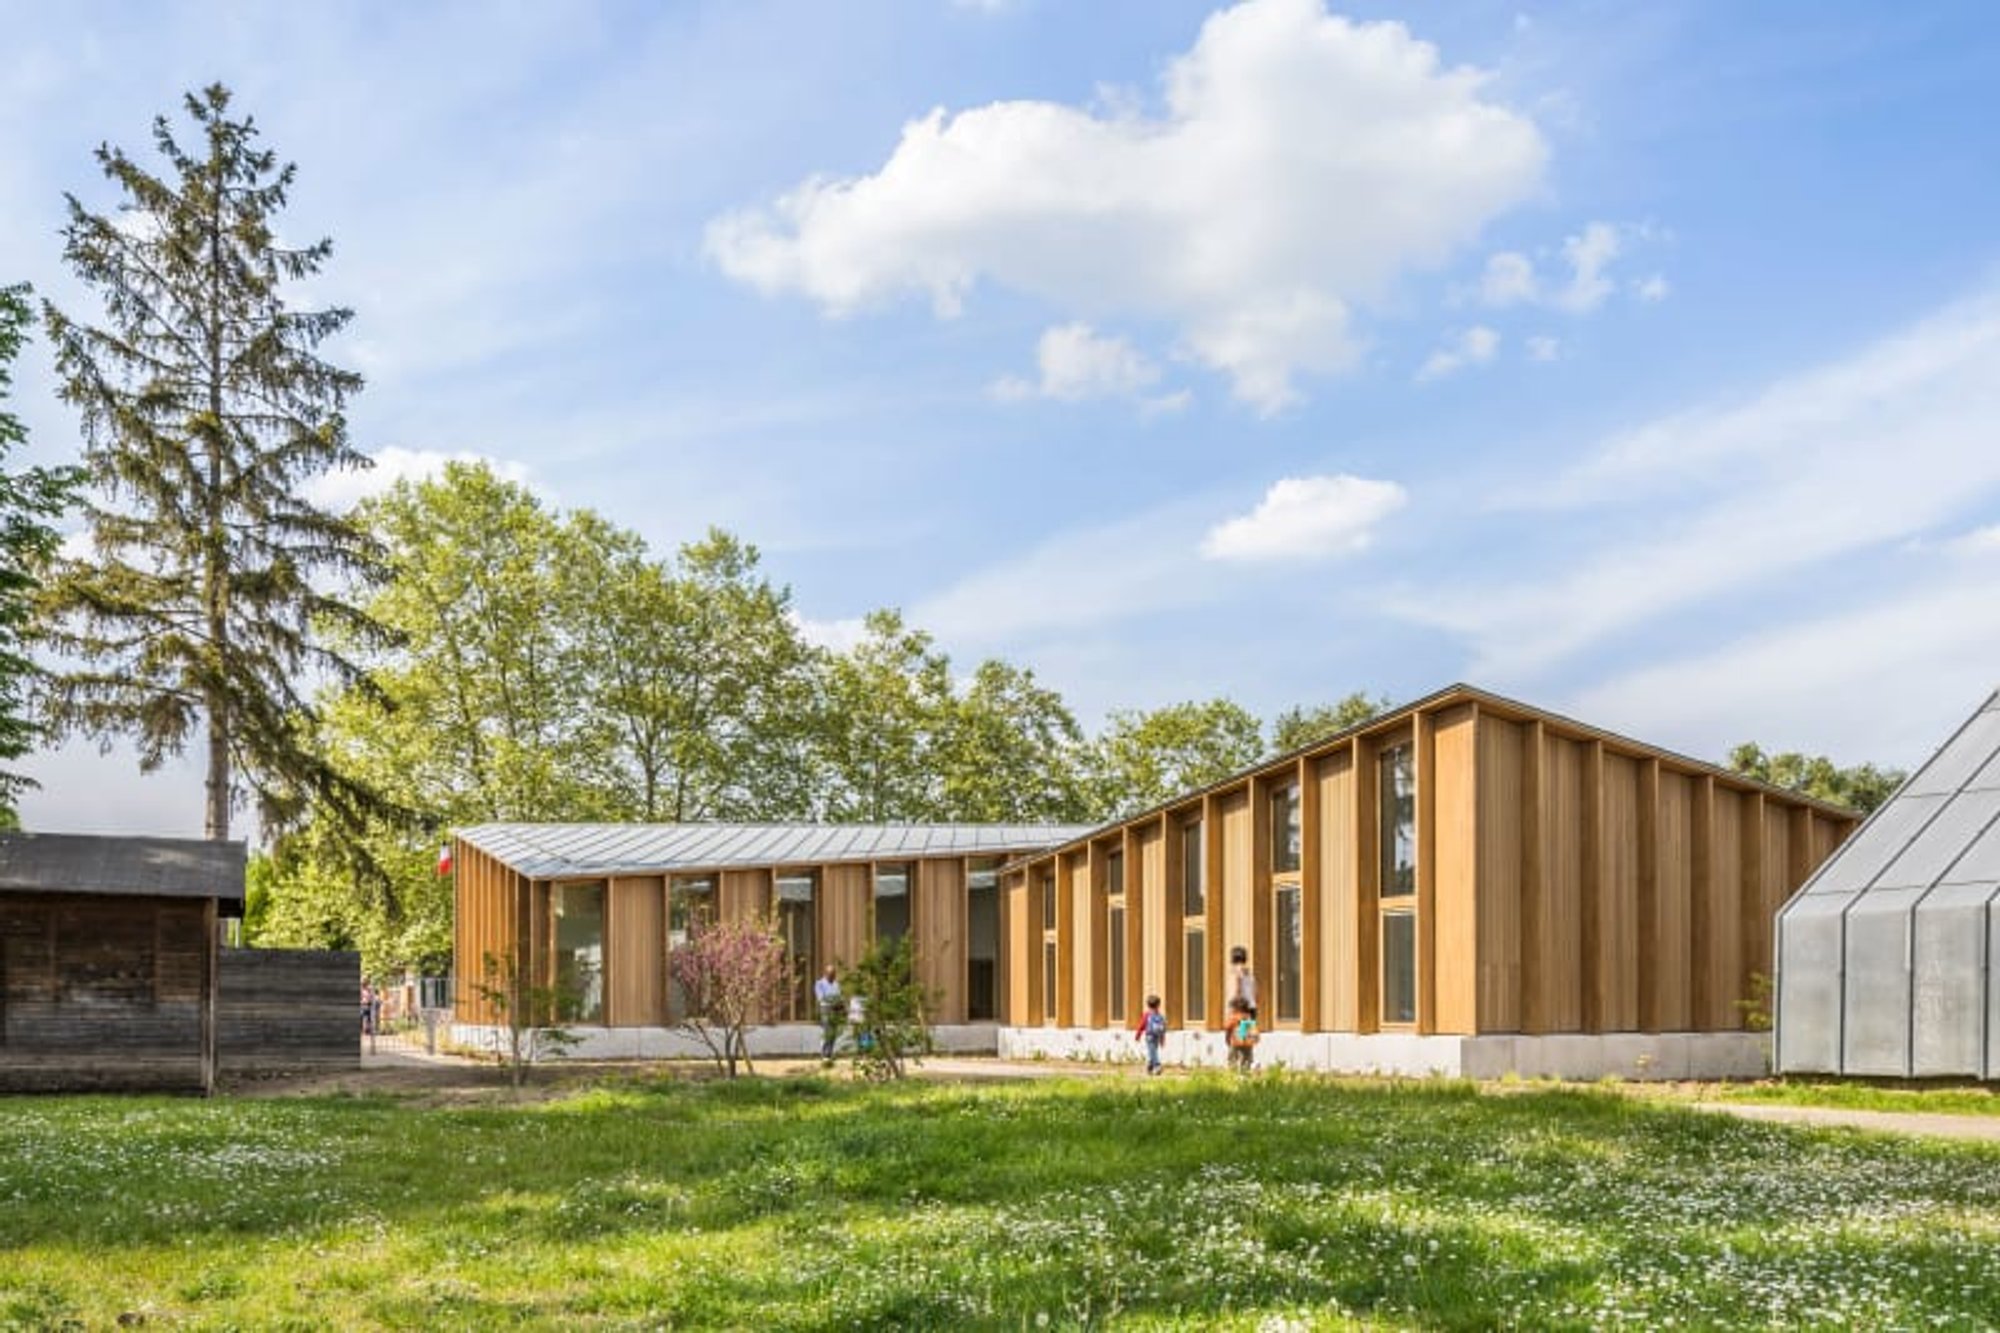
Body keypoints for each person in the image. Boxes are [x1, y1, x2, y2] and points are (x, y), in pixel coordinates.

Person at [1133, 994, 1168, 1075]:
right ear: (1158, 1005)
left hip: (1149, 1036)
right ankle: (1154, 1066)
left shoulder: (1147, 1015)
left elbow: (1141, 1026)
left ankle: (1153, 1066)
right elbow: (1163, 1030)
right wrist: (1162, 1040)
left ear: (1148, 1005)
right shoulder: (1160, 1016)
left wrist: (1137, 1036)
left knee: (1152, 1051)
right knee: (1153, 1051)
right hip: (1157, 1036)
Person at [814, 965, 843, 1061]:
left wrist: (841, 1005)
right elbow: (821, 998)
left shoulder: (836, 984)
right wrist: (833, 1002)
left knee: (834, 1033)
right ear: (826, 974)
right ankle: (824, 1054)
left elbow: (839, 997)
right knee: (827, 1031)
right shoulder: (819, 984)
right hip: (826, 1010)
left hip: (835, 1010)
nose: (833, 976)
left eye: (834, 974)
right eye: (831, 975)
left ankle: (829, 1053)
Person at [1226, 994, 1259, 1073]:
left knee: (1232, 1059)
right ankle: (1245, 1074)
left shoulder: (1234, 1017)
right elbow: (1253, 1028)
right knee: (1246, 1060)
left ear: (1236, 1008)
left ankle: (1232, 1074)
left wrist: (1227, 1039)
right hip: (1248, 1043)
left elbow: (1228, 1029)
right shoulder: (1249, 1017)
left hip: (1236, 1043)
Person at [1228, 945, 1258, 1021]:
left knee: (1239, 1031)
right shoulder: (1249, 973)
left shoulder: (1237, 972)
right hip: (1251, 1005)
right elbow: (1255, 991)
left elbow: (1237, 988)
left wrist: (1233, 1005)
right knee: (1250, 1029)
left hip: (1241, 1006)